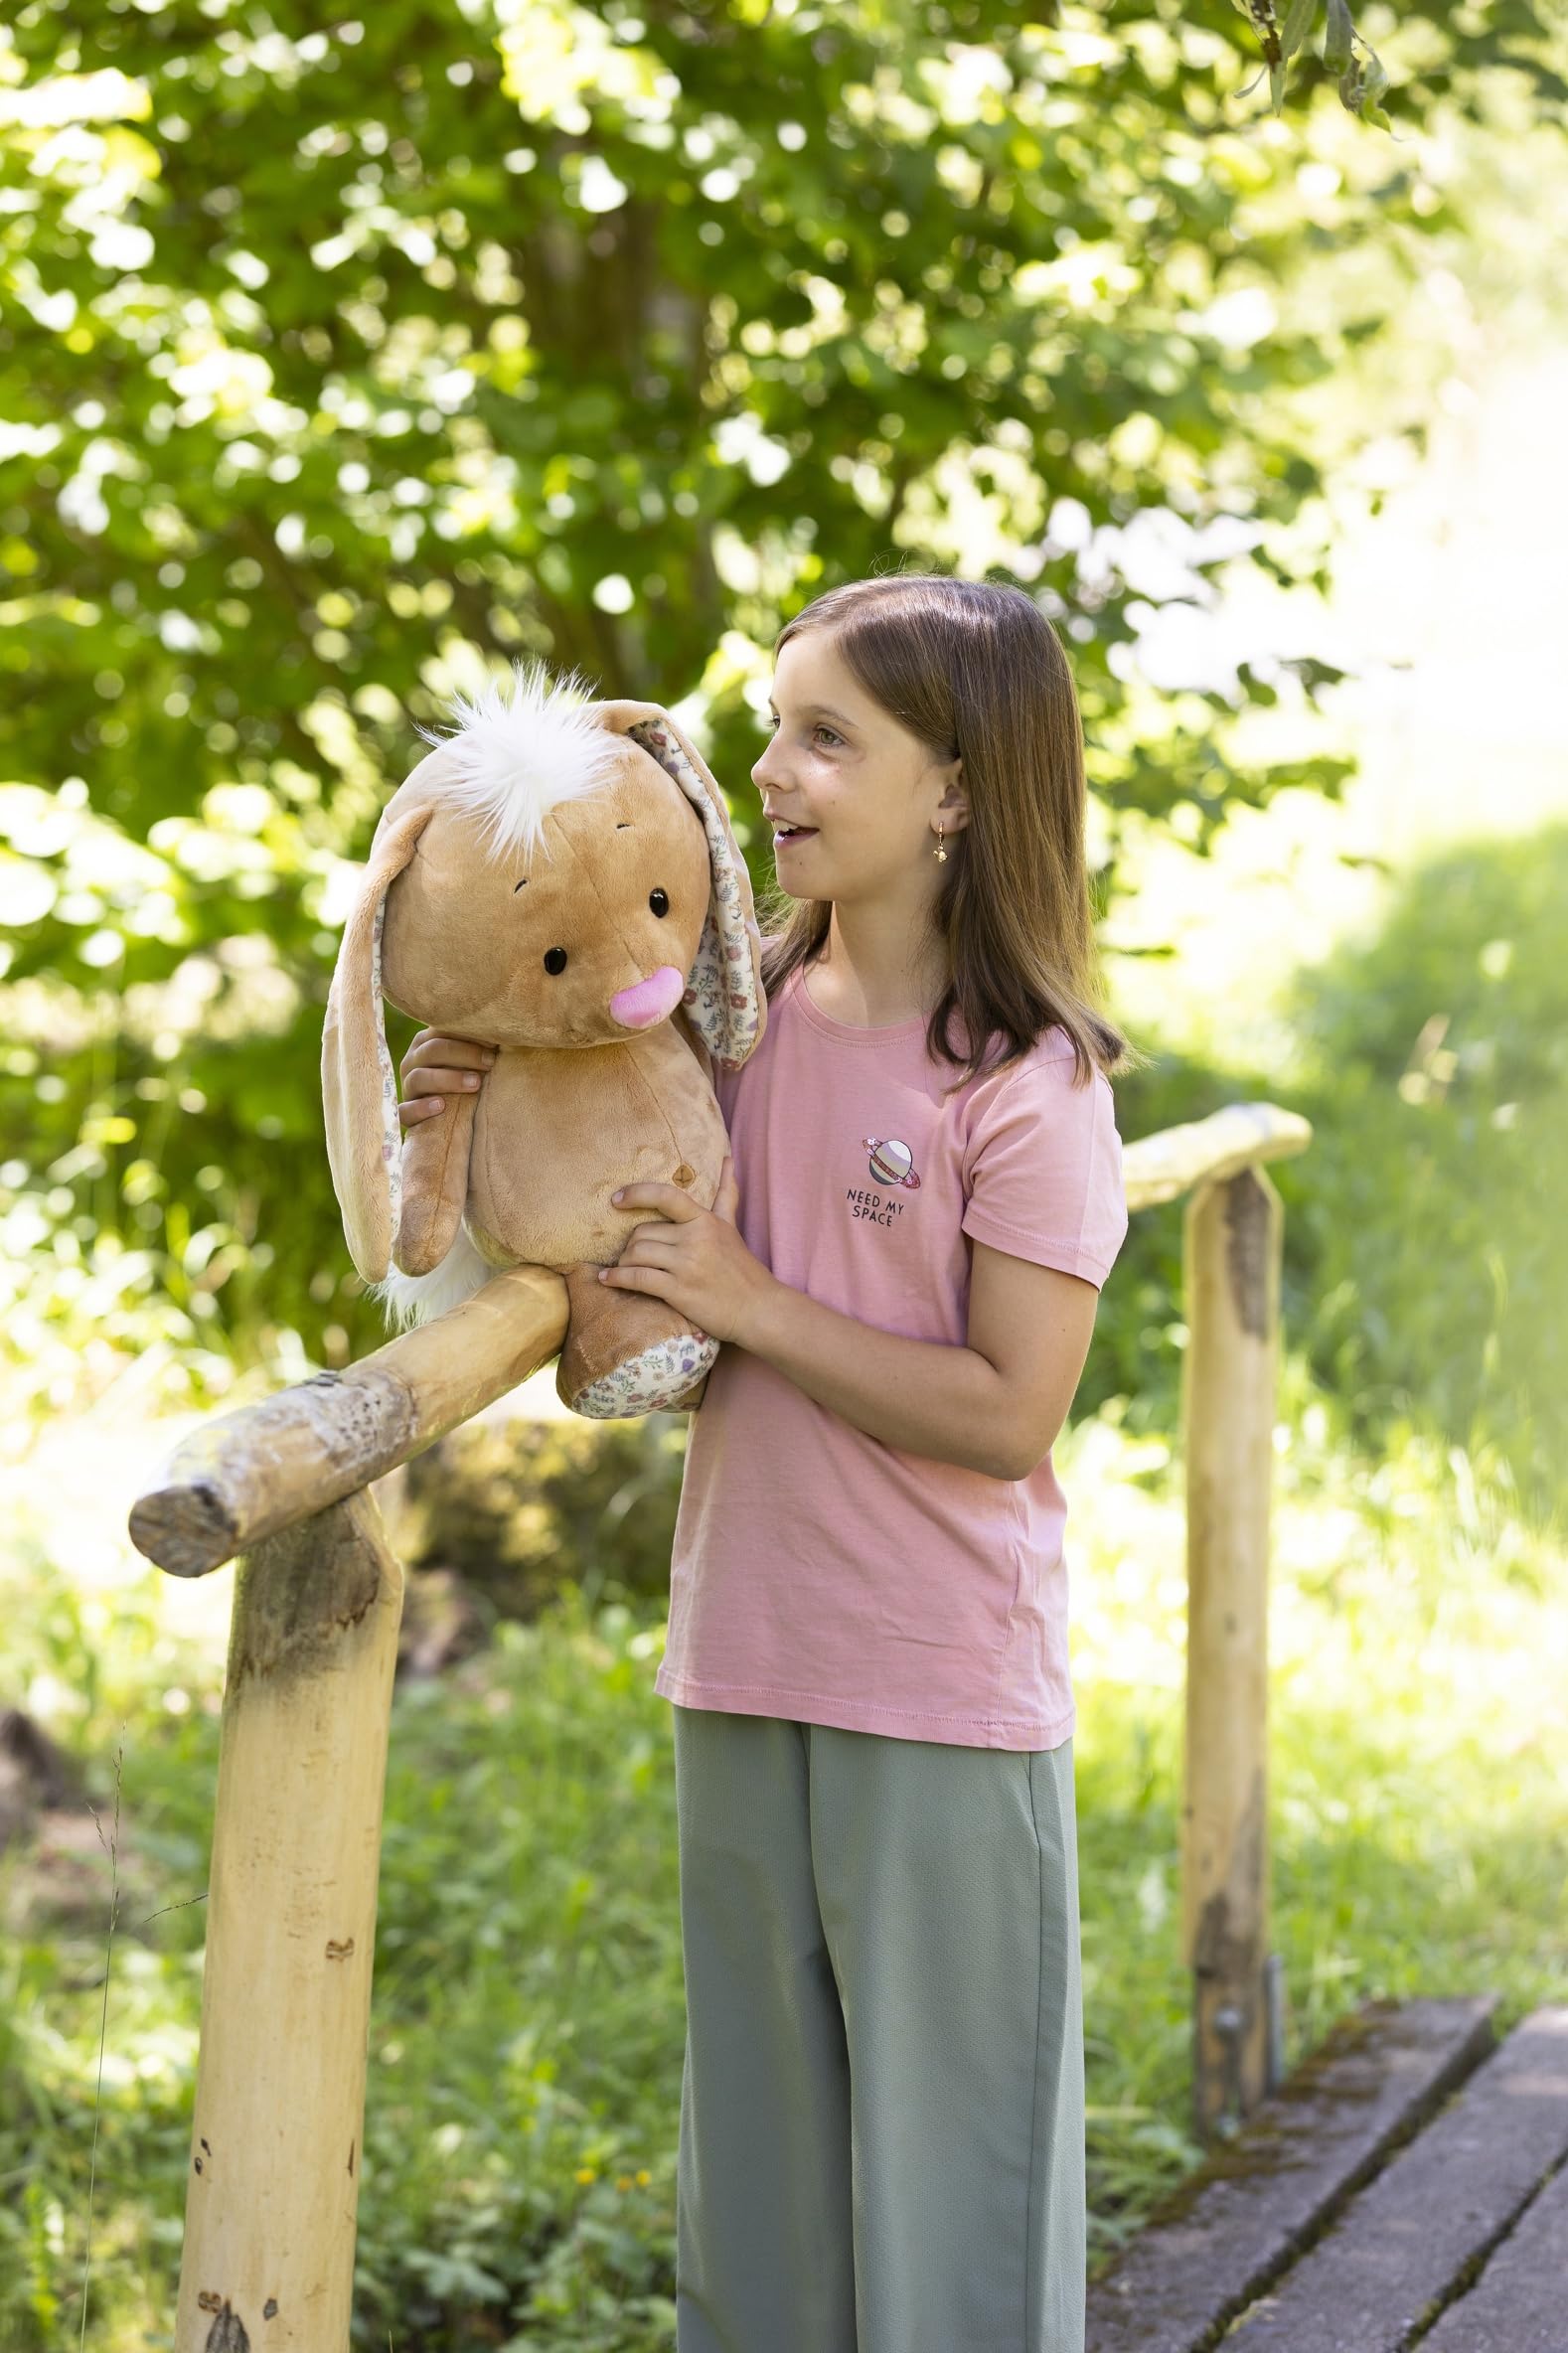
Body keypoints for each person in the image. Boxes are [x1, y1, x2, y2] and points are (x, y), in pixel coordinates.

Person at [397, 573, 1137, 2352]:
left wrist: (755, 1299)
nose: (774, 775)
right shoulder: (723, 1030)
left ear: (954, 790)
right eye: (772, 730)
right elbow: (589, 1253)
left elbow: (1004, 1412)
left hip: (937, 1695)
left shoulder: (1028, 1086)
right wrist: (462, 1139)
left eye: (828, 738)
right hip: (739, 1660)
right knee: (759, 2211)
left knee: (952, 2221)